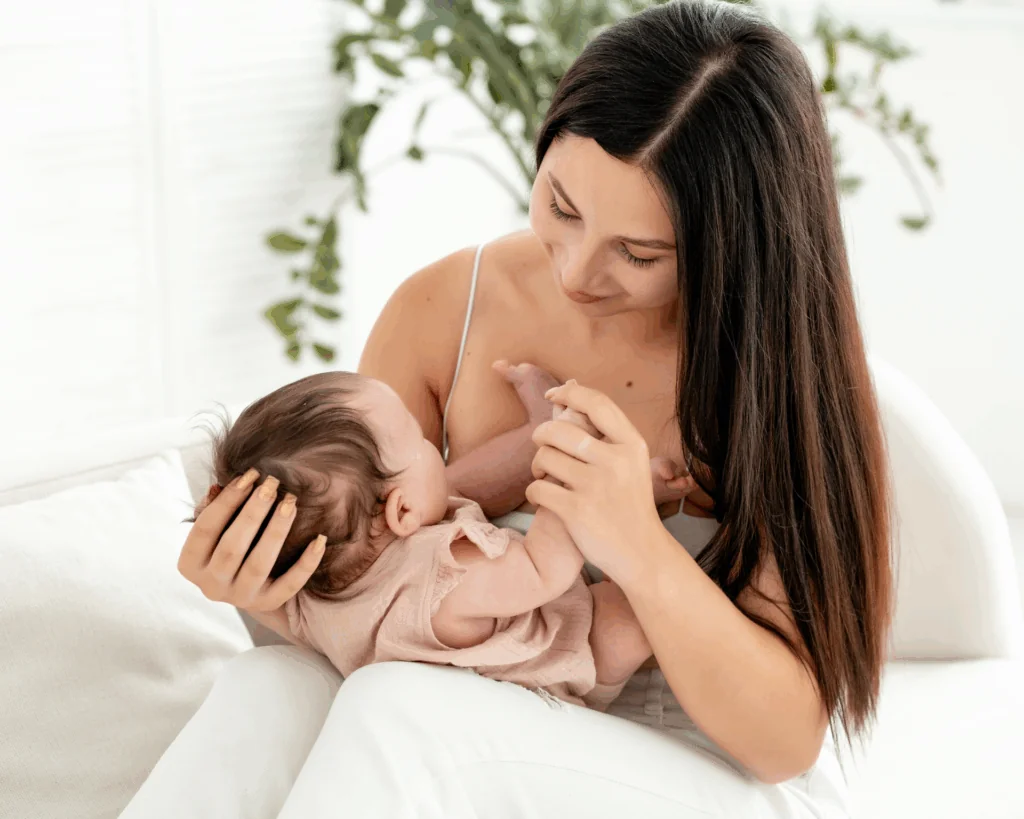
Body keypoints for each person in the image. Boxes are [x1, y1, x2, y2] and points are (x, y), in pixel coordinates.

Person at [129, 2, 892, 816]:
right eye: (561, 206)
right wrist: (261, 588)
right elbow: (381, 606)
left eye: (638, 253)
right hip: (457, 731)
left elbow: (782, 742)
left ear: (731, 246)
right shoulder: (443, 310)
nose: (576, 273)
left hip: (704, 765)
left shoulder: (777, 377)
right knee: (270, 684)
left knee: (396, 705)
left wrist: (637, 542)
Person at [194, 369, 674, 710]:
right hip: (557, 672)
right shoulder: (446, 577)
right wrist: (573, 465)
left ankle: (541, 432)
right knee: (625, 620)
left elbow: (255, 592)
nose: (433, 447)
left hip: (464, 690)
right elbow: (543, 567)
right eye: (420, 440)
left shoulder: (307, 604)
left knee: (458, 487)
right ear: (401, 511)